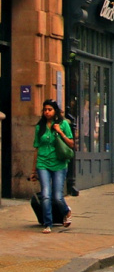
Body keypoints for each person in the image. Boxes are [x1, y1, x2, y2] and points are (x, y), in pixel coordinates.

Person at [29, 99, 73, 232]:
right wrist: (33, 170)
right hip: (43, 163)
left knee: (57, 197)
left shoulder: (63, 124)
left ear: (55, 111)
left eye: (50, 109)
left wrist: (60, 132)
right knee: (46, 195)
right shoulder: (39, 127)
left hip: (59, 163)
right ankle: (48, 224)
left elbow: (71, 144)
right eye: (45, 110)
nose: (47, 112)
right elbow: (36, 148)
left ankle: (66, 211)